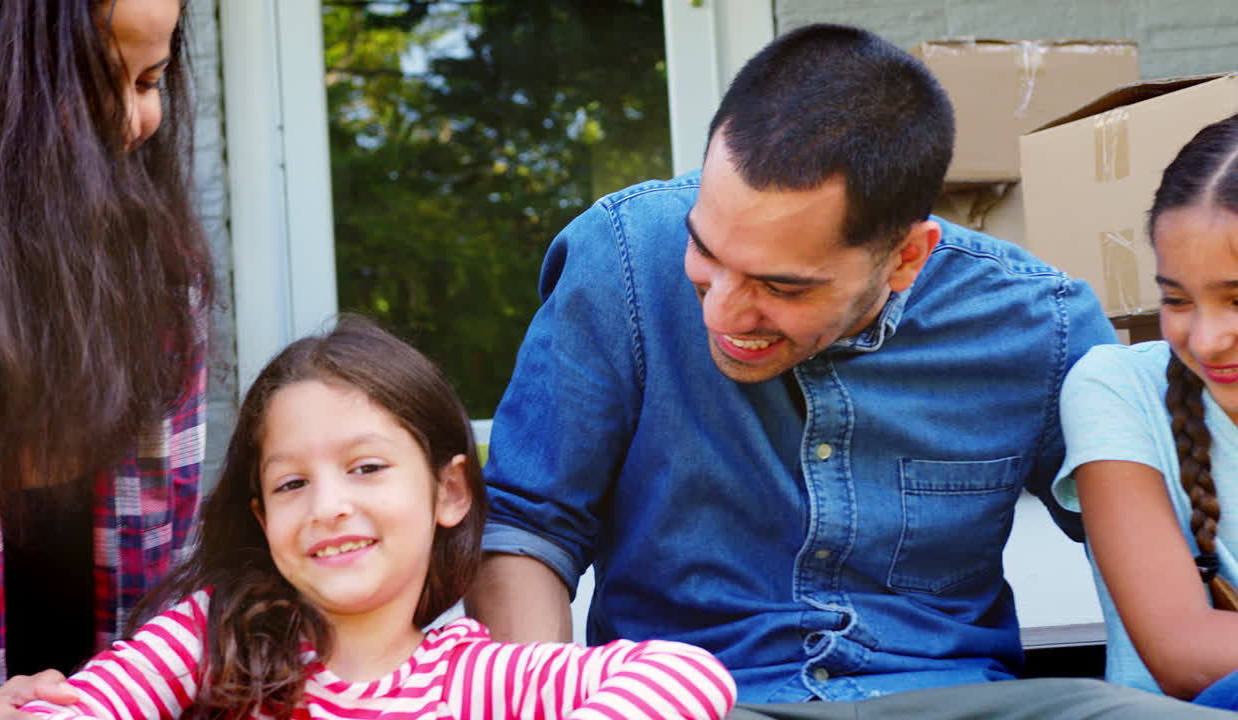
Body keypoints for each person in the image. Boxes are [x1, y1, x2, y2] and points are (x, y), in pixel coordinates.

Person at [464, 22, 1238, 719]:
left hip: (961, 701)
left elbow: (1175, 553)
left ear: (906, 258)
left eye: (782, 286)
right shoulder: (621, 258)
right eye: (705, 252)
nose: (722, 312)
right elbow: (527, 528)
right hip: (701, 700)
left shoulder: (1043, 325)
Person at [15, 316, 737, 720]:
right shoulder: (212, 639)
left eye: (366, 468)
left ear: (449, 492)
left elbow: (686, 676)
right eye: (293, 483)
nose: (328, 506)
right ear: (262, 517)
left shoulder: (473, 680)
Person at [0, 0, 210, 716]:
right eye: (97, 78)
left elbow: (168, 608)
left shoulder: (167, 290)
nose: (132, 119)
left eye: (149, 81)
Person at [1055, 114, 1238, 710]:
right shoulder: (1117, 388)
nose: (1207, 339)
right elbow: (1181, 652)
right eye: (1177, 300)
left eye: (1237, 299)